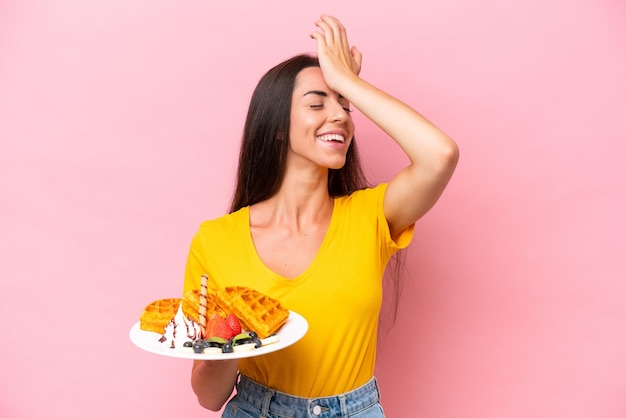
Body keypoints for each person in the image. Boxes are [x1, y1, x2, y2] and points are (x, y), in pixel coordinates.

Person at [182, 15, 459, 418]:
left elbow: (441, 155)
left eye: (345, 107)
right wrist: (231, 344)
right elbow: (208, 397)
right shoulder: (214, 240)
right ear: (277, 127)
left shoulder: (369, 217)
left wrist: (348, 82)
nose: (341, 117)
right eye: (318, 103)